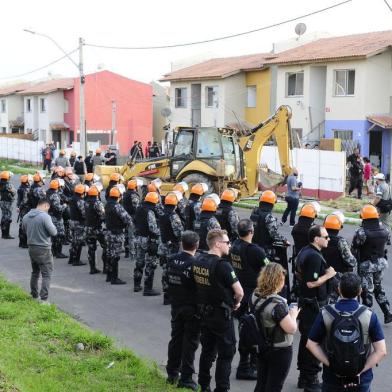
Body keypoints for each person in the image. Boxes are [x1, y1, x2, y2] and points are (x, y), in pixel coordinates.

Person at [306, 272, 387, 392]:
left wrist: (332, 365)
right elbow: (381, 351)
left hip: (332, 378)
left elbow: (310, 344)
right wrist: (360, 371)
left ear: (338, 289)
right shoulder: (369, 315)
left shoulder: (326, 313)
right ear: (360, 291)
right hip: (361, 380)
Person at [192, 229, 244, 392]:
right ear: (217, 244)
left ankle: (203, 385)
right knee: (226, 353)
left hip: (204, 312)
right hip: (221, 315)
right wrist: (236, 303)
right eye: (227, 242)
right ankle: (222, 388)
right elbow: (239, 292)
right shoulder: (223, 265)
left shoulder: (198, 259)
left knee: (207, 351)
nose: (230, 245)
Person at [295, 225, 337, 390]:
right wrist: (329, 275)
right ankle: (311, 379)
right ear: (316, 239)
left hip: (306, 304)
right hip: (313, 306)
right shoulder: (313, 257)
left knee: (306, 340)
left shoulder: (305, 251)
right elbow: (311, 283)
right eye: (325, 237)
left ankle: (304, 377)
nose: (328, 239)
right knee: (315, 341)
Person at [230, 219, 269, 381]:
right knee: (253, 331)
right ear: (251, 231)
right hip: (253, 295)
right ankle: (247, 366)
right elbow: (270, 270)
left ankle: (249, 364)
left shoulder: (234, 246)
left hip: (240, 293)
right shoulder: (256, 251)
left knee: (245, 329)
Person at [251, 262, 299, 392]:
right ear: (279, 281)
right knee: (274, 386)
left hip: (262, 345)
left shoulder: (255, 295)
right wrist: (293, 314)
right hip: (279, 349)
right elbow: (291, 328)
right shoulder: (277, 304)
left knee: (261, 383)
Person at [166, 231, 201, 390]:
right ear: (197, 245)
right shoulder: (195, 263)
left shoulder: (171, 259)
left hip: (176, 304)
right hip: (191, 307)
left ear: (181, 243)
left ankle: (172, 373)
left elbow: (166, 280)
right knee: (190, 343)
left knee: (176, 339)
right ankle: (186, 378)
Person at [351, 204, 392, 324]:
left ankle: (366, 316)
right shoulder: (385, 229)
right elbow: (387, 242)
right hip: (381, 263)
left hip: (367, 265)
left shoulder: (361, 232)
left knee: (367, 290)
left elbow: (354, 248)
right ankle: (387, 312)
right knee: (378, 287)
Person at [22, 198, 57, 304]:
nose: (47, 210)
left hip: (31, 247)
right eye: (48, 208)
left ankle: (34, 295)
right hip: (43, 248)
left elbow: (24, 230)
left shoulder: (26, 216)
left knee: (35, 272)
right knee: (46, 274)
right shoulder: (45, 217)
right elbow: (53, 232)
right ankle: (44, 300)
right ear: (46, 205)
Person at [322, 214, 357, 303]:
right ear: (339, 227)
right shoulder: (340, 241)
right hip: (336, 277)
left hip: (320, 275)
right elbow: (351, 262)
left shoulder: (319, 238)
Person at [159, 192, 184, 305]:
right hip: (172, 247)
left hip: (163, 245)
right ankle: (170, 295)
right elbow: (179, 232)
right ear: (175, 204)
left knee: (165, 269)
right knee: (172, 270)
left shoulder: (162, 213)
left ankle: (166, 295)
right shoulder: (173, 216)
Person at [134, 192, 161, 295]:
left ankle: (136, 285)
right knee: (150, 264)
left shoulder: (139, 209)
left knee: (139, 262)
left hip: (139, 238)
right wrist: (160, 233)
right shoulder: (150, 212)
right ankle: (148, 289)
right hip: (149, 240)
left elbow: (135, 221)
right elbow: (153, 228)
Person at [105, 186, 132, 285]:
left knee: (109, 254)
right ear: (119, 195)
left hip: (108, 233)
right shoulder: (117, 206)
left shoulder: (107, 204)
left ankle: (109, 275)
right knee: (115, 256)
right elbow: (128, 219)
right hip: (117, 233)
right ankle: (114, 278)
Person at [250, 190, 289, 259]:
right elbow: (274, 234)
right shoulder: (269, 217)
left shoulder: (255, 212)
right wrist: (284, 240)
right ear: (272, 204)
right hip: (263, 250)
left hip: (252, 246)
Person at [85, 185, 107, 274]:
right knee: (106, 246)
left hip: (88, 228)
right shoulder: (97, 203)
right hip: (97, 228)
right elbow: (103, 215)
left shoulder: (86, 202)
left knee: (91, 248)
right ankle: (106, 268)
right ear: (97, 193)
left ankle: (92, 268)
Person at [122, 179, 142, 260]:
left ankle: (127, 252)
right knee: (132, 237)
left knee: (127, 235)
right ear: (135, 187)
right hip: (132, 218)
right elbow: (136, 208)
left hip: (126, 217)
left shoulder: (125, 194)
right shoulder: (133, 195)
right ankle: (133, 254)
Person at [68, 184, 87, 267]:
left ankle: (71, 258)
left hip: (72, 221)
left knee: (73, 241)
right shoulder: (80, 201)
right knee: (78, 242)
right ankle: (76, 260)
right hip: (79, 223)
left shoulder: (72, 198)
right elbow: (84, 213)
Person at [0, 171, 16, 239]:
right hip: (8, 202)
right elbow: (14, 192)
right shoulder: (8, 184)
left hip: (2, 201)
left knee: (4, 216)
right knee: (8, 218)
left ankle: (3, 234)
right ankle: (6, 234)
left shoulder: (1, 184)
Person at [17, 174, 31, 248]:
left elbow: (19, 199)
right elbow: (25, 200)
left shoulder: (20, 187)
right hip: (25, 209)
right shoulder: (26, 189)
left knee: (22, 225)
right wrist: (20, 207)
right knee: (24, 226)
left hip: (22, 209)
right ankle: (23, 243)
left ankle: (21, 242)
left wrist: (18, 206)